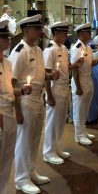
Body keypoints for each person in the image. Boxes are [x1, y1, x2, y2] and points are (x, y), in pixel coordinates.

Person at [9, 14, 57, 194]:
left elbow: (40, 75)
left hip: (38, 98)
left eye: (40, 29)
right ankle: (21, 179)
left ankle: (31, 171)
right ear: (26, 30)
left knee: (36, 138)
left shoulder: (37, 50)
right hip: (25, 100)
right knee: (24, 141)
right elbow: (11, 84)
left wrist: (50, 77)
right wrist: (18, 111)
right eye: (37, 29)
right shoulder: (19, 52)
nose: (40, 32)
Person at [43, 21, 83, 164]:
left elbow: (66, 67)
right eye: (64, 33)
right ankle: (48, 151)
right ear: (56, 34)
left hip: (64, 87)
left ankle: (56, 147)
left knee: (60, 122)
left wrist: (75, 64)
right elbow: (46, 74)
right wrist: (49, 95)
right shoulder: (50, 50)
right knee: (52, 122)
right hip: (55, 88)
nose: (66, 36)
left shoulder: (64, 49)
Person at [0, 20, 32, 194]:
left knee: (6, 158)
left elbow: (8, 90)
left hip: (9, 113)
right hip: (0, 117)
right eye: (4, 37)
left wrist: (22, 91)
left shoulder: (6, 62)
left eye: (9, 37)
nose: (9, 40)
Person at [71, 23, 98, 145]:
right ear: (81, 34)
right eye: (88, 33)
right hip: (80, 81)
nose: (90, 34)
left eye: (90, 32)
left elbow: (90, 64)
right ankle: (78, 135)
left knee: (85, 108)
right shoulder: (77, 48)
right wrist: (78, 87)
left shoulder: (88, 48)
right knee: (79, 109)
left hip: (88, 80)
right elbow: (75, 68)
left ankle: (83, 131)